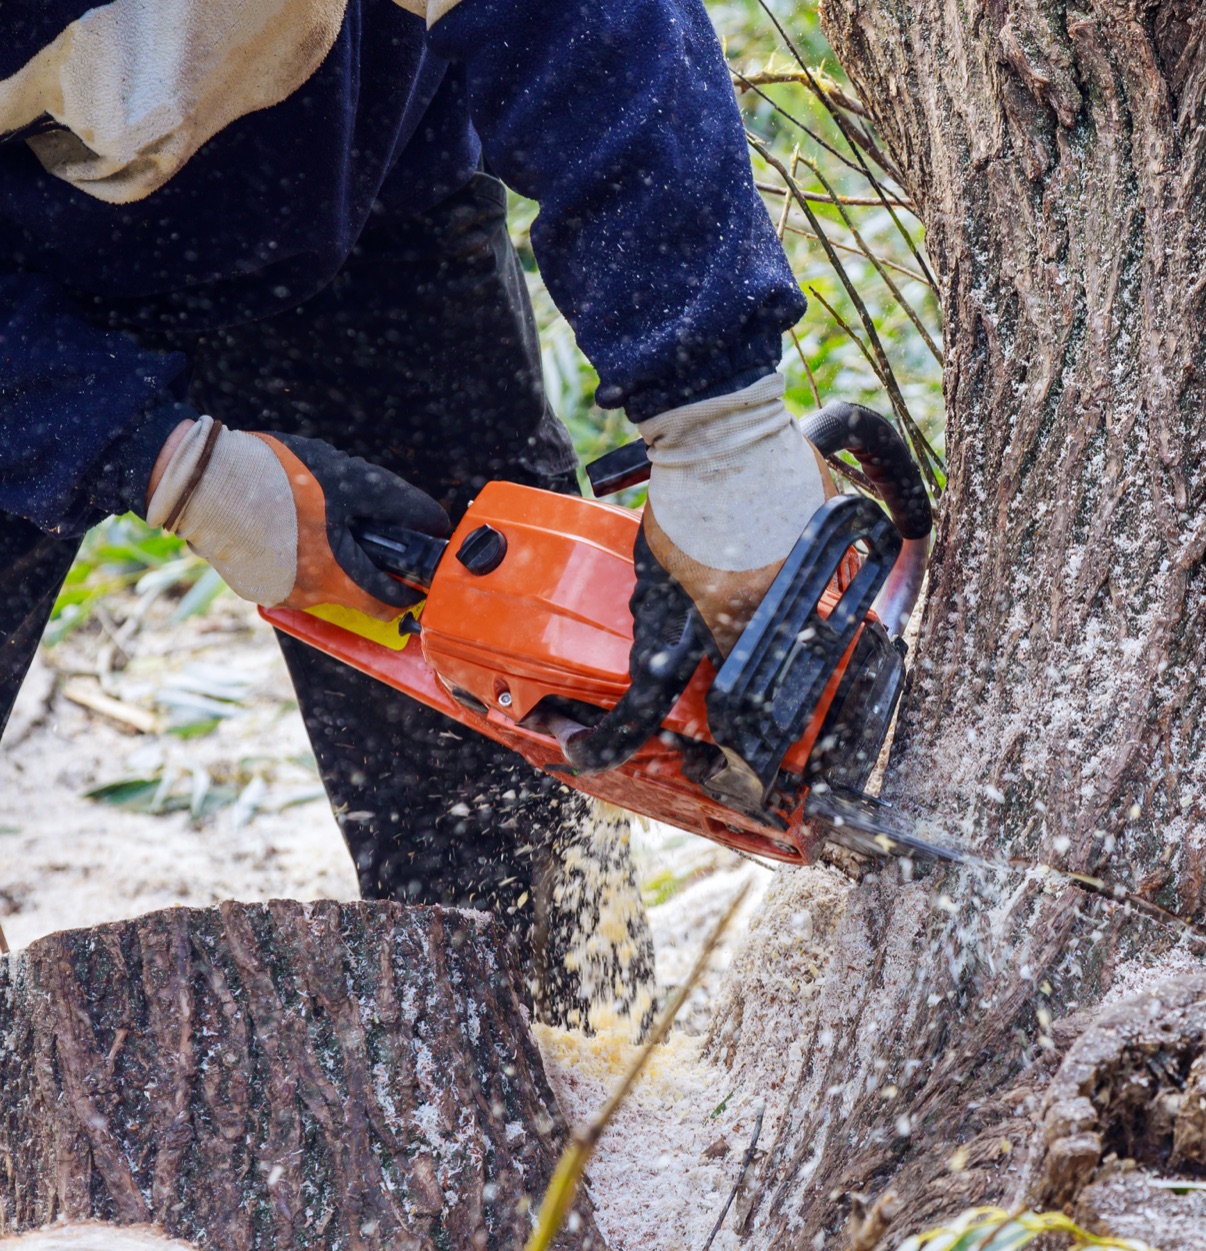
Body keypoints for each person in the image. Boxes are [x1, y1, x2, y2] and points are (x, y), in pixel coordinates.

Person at [0, 0, 837, 1021]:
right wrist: (171, 466)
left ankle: (560, 1078)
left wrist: (717, 415)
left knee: (498, 757)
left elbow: (590, 23)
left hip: (358, 189)